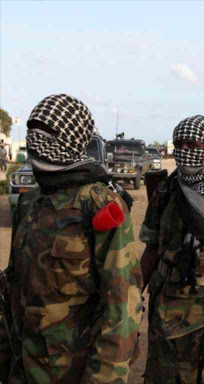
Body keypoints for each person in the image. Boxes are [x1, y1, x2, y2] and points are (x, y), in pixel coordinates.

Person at [0, 94, 143, 383]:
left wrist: (105, 376)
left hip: (72, 368)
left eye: (47, 131)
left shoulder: (100, 203)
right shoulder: (32, 201)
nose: (35, 138)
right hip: (23, 364)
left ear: (71, 138)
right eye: (32, 129)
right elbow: (15, 281)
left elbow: (122, 303)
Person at [139, 115, 204, 384]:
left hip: (201, 319)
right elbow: (151, 250)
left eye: (192, 144)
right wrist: (132, 297)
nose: (185, 151)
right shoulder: (165, 192)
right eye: (179, 144)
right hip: (161, 312)